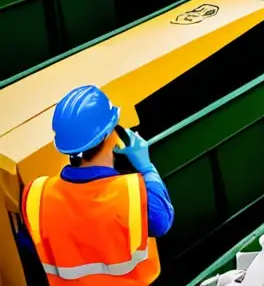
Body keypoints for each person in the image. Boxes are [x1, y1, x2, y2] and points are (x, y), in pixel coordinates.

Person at [21, 85, 173, 284]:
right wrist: (146, 168)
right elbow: (162, 221)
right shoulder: (132, 194)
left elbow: (29, 245)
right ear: (109, 136)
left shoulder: (36, 197)